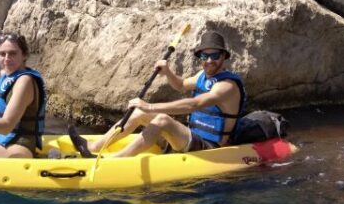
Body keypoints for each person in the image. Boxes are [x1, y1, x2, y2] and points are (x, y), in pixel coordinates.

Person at [69, 30, 246, 158]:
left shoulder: (227, 86)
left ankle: (114, 161)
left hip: (209, 147)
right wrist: (167, 71)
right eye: (204, 56)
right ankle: (93, 147)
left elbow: (195, 104)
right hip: (190, 135)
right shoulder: (203, 75)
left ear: (224, 56)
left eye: (214, 55)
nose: (209, 61)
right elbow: (182, 85)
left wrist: (150, 105)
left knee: (161, 119)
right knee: (139, 112)